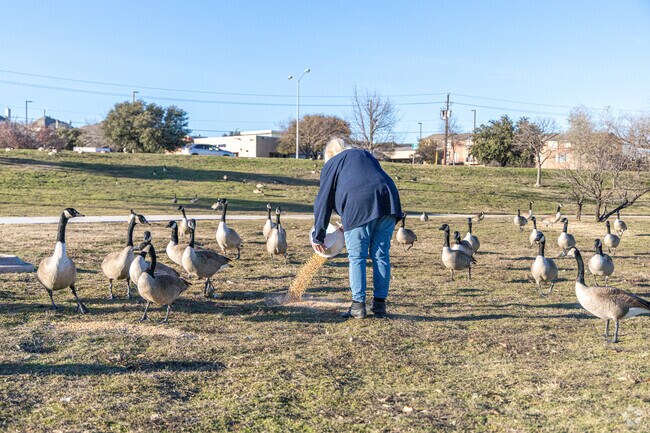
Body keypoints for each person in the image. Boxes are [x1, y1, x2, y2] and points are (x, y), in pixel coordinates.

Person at [312, 138, 402, 319]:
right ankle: (379, 305)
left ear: (328, 154)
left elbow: (323, 201)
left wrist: (318, 235)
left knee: (357, 257)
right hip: (388, 200)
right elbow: (365, 183)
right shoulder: (364, 155)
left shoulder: (332, 163)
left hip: (358, 205)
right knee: (381, 254)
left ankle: (358, 306)